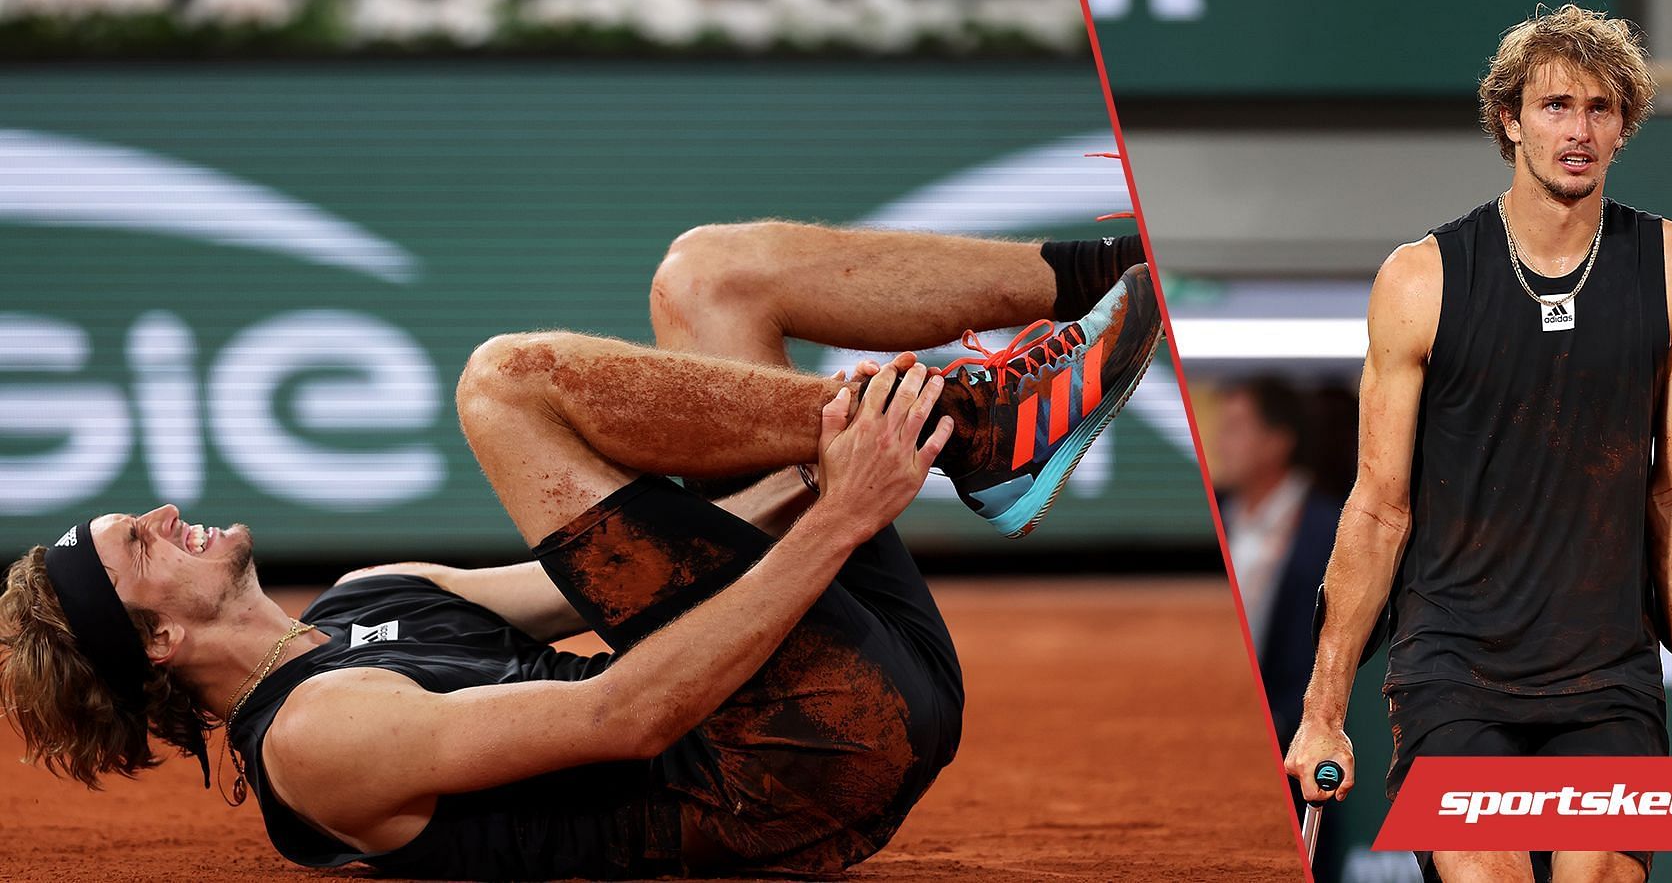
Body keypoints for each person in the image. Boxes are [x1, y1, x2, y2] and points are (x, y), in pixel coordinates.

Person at [0, 225, 1161, 879]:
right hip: (782, 776)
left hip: (825, 688)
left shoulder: (362, 599)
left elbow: (631, 571)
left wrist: (826, 476)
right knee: (506, 384)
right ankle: (974, 424)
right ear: (156, 639)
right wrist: (849, 515)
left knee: (710, 277)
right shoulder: (312, 739)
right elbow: (626, 716)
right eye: (134, 549)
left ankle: (1104, 270)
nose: (157, 517)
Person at [1282, 5, 1672, 883]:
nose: (1579, 129)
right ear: (1512, 120)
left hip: (1609, 673)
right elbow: (1378, 506)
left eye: (1601, 109)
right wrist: (1324, 707)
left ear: (1623, 127)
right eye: (1557, 106)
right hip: (1453, 667)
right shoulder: (1422, 279)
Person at [1208, 376, 1342, 748]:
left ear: (1277, 442)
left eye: (1235, 429)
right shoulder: (1217, 509)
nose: (1220, 445)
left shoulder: (1332, 530)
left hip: (1288, 744)